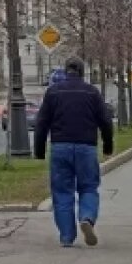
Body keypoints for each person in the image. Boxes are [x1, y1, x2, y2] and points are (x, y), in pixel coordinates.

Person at [34, 56, 115, 247]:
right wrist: (108, 145)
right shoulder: (92, 92)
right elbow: (105, 121)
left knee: (62, 191)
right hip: (86, 147)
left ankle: (66, 237)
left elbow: (42, 122)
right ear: (81, 71)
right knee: (88, 187)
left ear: (65, 70)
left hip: (60, 147)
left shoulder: (53, 92)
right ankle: (86, 217)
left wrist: (39, 150)